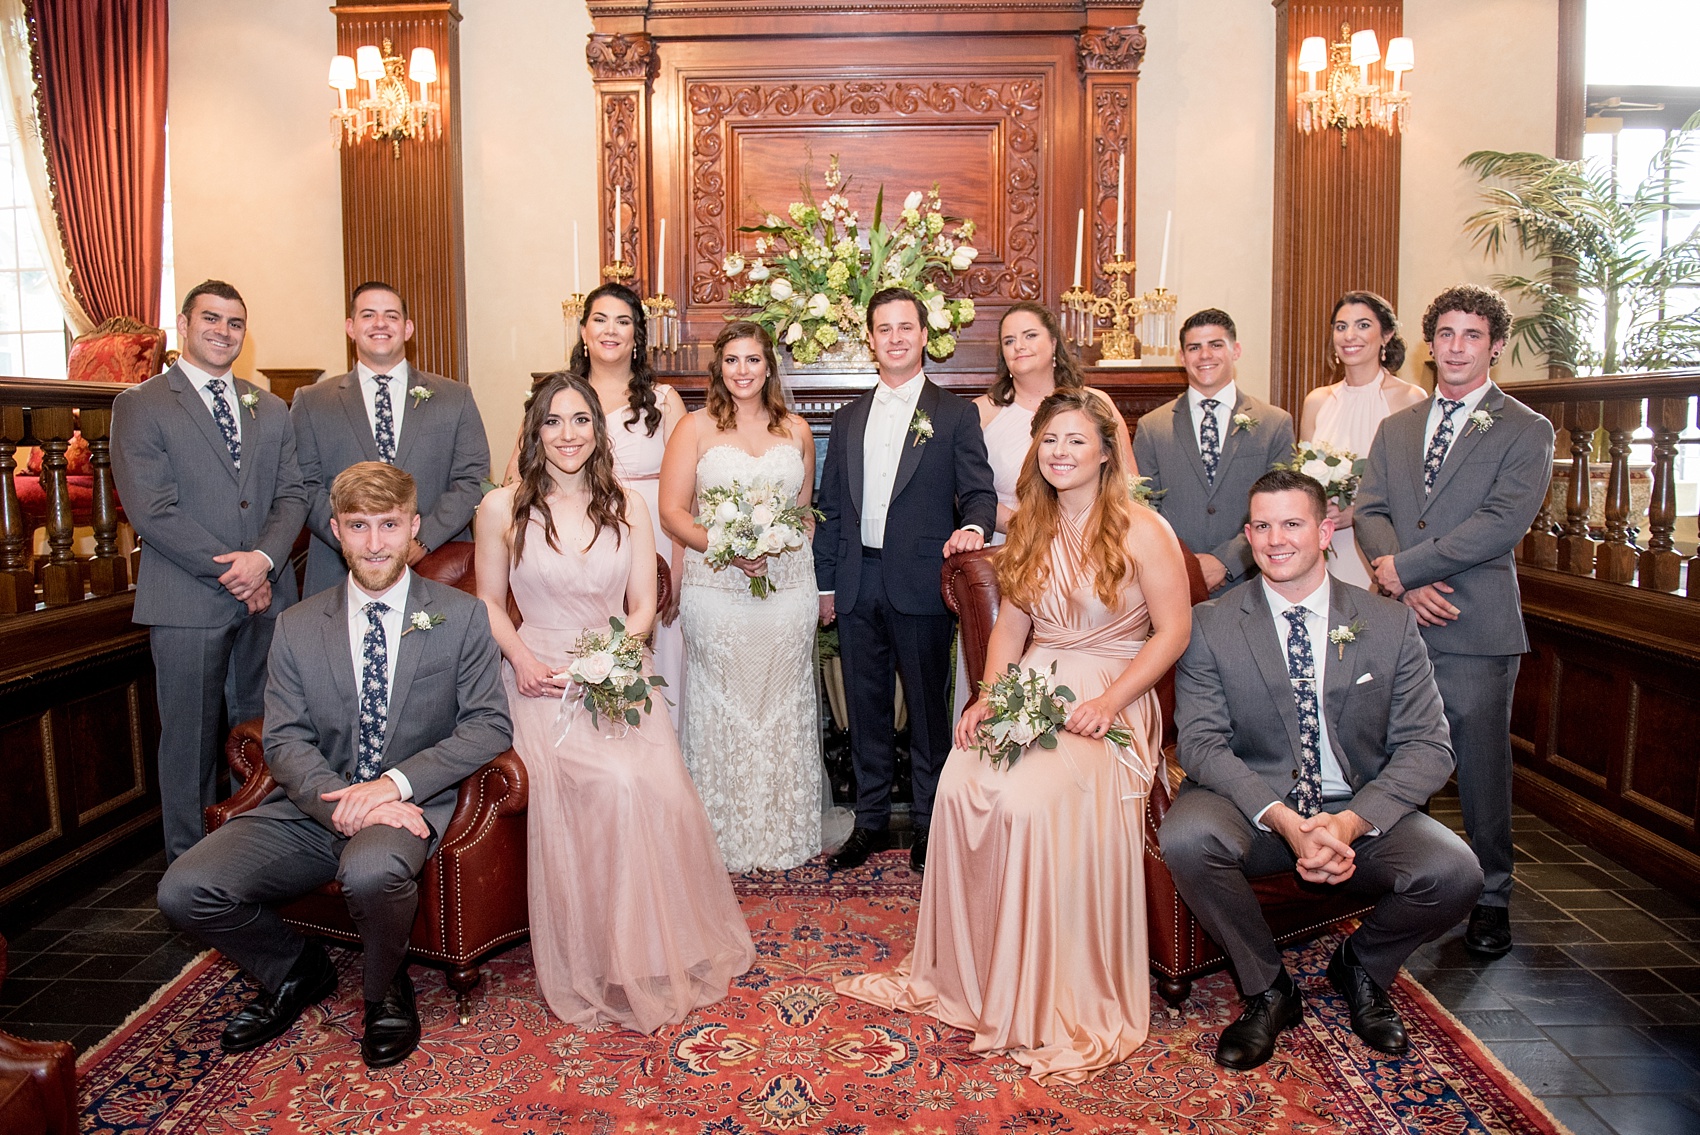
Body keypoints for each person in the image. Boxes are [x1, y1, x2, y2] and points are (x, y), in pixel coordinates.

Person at [836, 390, 1192, 1083]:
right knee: (966, 783)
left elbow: (1173, 630)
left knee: (1027, 801)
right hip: (1034, 683)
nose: (1060, 452)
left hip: (1111, 692)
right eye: (1049, 440)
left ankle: (1043, 988)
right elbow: (1011, 627)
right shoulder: (1031, 522)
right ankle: (974, 974)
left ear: (1105, 452)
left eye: (1075, 440)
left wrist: (1112, 702)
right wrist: (986, 697)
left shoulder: (1144, 528)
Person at [157, 462, 512, 1068]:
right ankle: (298, 970)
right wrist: (339, 797)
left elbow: (489, 725)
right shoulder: (296, 626)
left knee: (372, 872)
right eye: (359, 526)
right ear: (335, 531)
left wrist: (391, 787)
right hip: (307, 807)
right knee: (184, 890)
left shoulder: (463, 616)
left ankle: (385, 989)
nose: (375, 544)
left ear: (413, 528)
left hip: (402, 809)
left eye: (389, 525)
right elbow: (287, 738)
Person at [1160, 469, 1482, 1070]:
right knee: (1185, 834)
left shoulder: (1388, 623)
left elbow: (1429, 747)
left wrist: (1351, 824)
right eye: (1261, 525)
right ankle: (1266, 989)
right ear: (1248, 534)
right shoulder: (1212, 624)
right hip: (1253, 807)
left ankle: (1362, 966)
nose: (1275, 539)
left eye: (1292, 523)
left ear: (1326, 530)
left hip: (1353, 805)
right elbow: (1201, 743)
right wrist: (1284, 819)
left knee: (1456, 872)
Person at [475, 371, 753, 1033]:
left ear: (598, 431)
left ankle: (652, 945)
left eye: (580, 420)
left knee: (649, 780)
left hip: (613, 668)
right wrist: (523, 659)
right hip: (538, 676)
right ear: (534, 431)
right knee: (599, 781)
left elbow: (642, 607)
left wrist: (609, 660)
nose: (567, 434)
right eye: (553, 421)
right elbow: (486, 601)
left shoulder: (627, 502)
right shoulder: (501, 507)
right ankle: (594, 948)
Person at [1355, 284, 1555, 958]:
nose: (1458, 346)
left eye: (1473, 335)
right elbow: (1370, 509)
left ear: (1494, 345)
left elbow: (1500, 523)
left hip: (1475, 625)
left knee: (1478, 768)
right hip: (1401, 623)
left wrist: (1404, 568)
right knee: (1397, 758)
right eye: (1446, 333)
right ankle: (1407, 882)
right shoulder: (1398, 426)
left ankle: (1492, 895)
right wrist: (1394, 574)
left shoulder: (1527, 429)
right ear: (1430, 342)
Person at [112, 279, 308, 862]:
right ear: (184, 322)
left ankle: (255, 859)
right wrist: (234, 571)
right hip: (186, 600)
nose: (223, 331)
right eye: (212, 319)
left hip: (268, 597)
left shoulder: (270, 408)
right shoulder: (143, 404)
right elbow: (152, 509)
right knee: (190, 745)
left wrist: (264, 561)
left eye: (235, 323)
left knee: (264, 737)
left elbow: (291, 495)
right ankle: (189, 871)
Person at [815, 287, 998, 874]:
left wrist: (973, 526)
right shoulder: (847, 419)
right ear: (870, 340)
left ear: (924, 337)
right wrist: (826, 587)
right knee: (865, 710)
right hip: (857, 580)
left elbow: (978, 491)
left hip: (922, 582)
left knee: (926, 710)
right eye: (883, 328)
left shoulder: (954, 414)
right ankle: (867, 824)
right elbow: (831, 507)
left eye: (905, 327)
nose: (894, 337)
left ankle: (928, 824)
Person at [658, 322, 852, 870]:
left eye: (753, 360)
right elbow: (674, 511)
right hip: (716, 589)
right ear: (718, 368)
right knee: (723, 704)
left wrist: (777, 543)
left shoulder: (795, 429)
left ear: (770, 367)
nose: (742, 370)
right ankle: (720, 834)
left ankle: (783, 830)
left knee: (782, 704)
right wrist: (727, 546)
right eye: (731, 360)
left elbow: (803, 511)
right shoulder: (694, 429)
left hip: (787, 586)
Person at [505, 283, 689, 705]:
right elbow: (515, 477)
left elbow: (688, 496)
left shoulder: (664, 400)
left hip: (652, 538)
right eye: (600, 320)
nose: (611, 330)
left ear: (637, 336)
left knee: (657, 658)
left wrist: (677, 575)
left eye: (623, 321)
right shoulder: (555, 399)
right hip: (571, 543)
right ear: (583, 332)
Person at [951, 302, 1137, 716]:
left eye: (1030, 335)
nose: (1019, 346)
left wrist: (1077, 529)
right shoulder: (981, 413)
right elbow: (968, 492)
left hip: (1092, 546)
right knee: (1003, 648)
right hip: (1010, 544)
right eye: (1009, 340)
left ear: (1054, 343)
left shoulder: (1096, 403)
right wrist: (1034, 524)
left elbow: (1127, 485)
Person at [291, 281, 490, 598]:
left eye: (391, 316)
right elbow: (303, 483)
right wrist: (354, 538)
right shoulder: (313, 402)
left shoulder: (455, 397)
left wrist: (420, 539)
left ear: (408, 328)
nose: (380, 323)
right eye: (368, 315)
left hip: (434, 565)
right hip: (338, 569)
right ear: (351, 327)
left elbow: (472, 478)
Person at [1133, 308, 1295, 594]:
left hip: (1252, 580)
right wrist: (1186, 565)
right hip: (1175, 580)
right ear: (1182, 357)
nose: (1205, 355)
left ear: (1236, 350)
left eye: (1216, 345)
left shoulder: (1275, 423)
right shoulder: (1152, 427)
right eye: (1194, 348)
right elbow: (1144, 510)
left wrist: (1226, 561)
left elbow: (1281, 507)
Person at [1298, 292, 1427, 589]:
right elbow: (1303, 483)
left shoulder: (1410, 399)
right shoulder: (1317, 401)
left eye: (1363, 325)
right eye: (1341, 327)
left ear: (1387, 334)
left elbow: (1415, 491)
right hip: (1325, 544)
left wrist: (1357, 513)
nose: (1349, 335)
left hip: (1381, 545)